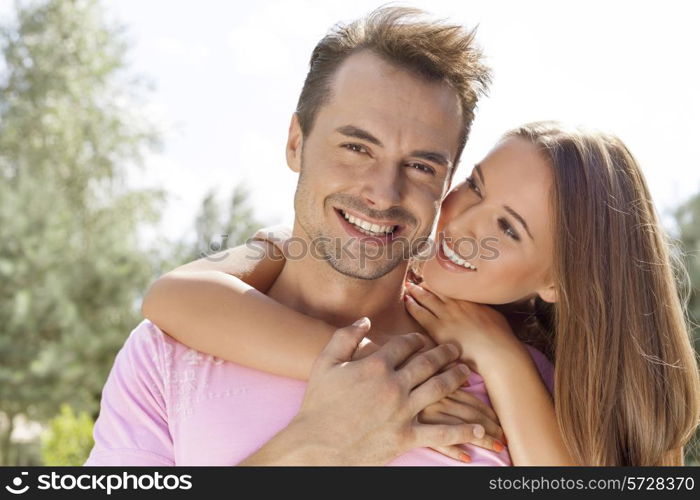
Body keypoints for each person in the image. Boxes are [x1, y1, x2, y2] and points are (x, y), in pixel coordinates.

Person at [85, 6, 511, 466]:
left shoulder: (494, 381)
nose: (383, 192)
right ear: (296, 143)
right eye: (356, 147)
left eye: (421, 166)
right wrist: (312, 450)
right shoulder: (167, 354)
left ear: (446, 186)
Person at [143, 121, 700, 465]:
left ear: (556, 282)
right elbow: (172, 297)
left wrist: (502, 360)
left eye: (508, 229)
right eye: (474, 186)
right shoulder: (317, 251)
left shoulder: (546, 383)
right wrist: (387, 375)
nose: (462, 224)